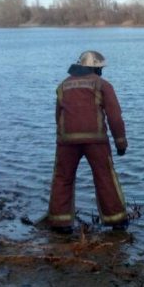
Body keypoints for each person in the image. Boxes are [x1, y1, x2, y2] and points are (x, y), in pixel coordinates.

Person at [46, 50, 129, 232]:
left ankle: (60, 223)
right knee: (105, 177)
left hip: (66, 140)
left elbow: (58, 116)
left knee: (62, 178)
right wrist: (120, 143)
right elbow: (115, 117)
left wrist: (62, 138)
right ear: (95, 68)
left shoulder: (63, 86)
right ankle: (116, 221)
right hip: (96, 141)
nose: (101, 72)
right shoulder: (102, 85)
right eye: (100, 68)